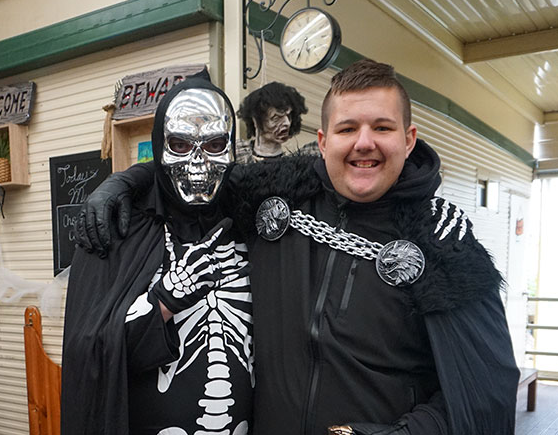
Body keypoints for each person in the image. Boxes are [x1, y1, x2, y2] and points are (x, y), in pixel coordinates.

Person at [75, 59, 519, 435]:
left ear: (408, 138)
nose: (364, 142)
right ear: (323, 141)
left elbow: (485, 389)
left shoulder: (443, 243)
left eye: (382, 127)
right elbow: (197, 177)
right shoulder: (276, 196)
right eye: (347, 128)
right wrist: (123, 182)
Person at [61, 70, 253, 435]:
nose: (198, 164)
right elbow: (88, 361)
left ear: (231, 148)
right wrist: (163, 302)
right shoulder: (120, 229)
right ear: (160, 146)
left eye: (214, 145)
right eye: (180, 145)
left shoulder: (250, 221)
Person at [235, 81, 308, 163]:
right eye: (276, 118)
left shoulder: (294, 162)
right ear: (256, 120)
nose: (287, 123)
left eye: (289, 116)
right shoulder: (236, 155)